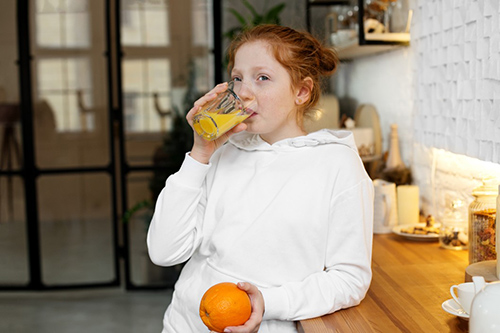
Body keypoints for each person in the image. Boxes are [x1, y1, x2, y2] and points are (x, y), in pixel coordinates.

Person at [147, 24, 374, 333]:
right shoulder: (222, 152)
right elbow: (164, 251)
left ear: (301, 91)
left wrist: (267, 302)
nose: (243, 92)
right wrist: (200, 152)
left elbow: (349, 279)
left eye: (262, 78)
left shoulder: (336, 163)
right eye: (237, 78)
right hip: (185, 324)